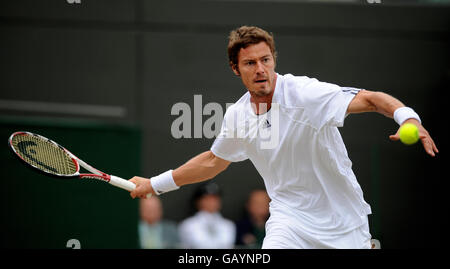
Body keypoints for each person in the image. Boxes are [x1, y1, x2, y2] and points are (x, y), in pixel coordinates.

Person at [129, 26, 438, 249]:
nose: (261, 69)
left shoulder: (306, 94)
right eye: (250, 63)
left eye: (266, 60)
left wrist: (407, 117)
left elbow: (370, 99)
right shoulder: (237, 116)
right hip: (289, 221)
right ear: (235, 68)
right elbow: (213, 161)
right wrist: (155, 184)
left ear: (274, 59)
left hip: (345, 224)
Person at [178, 182, 236, 249]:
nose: (212, 202)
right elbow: (201, 244)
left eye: (215, 199)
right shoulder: (188, 225)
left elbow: (226, 244)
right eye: (207, 199)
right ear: (198, 201)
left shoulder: (228, 225)